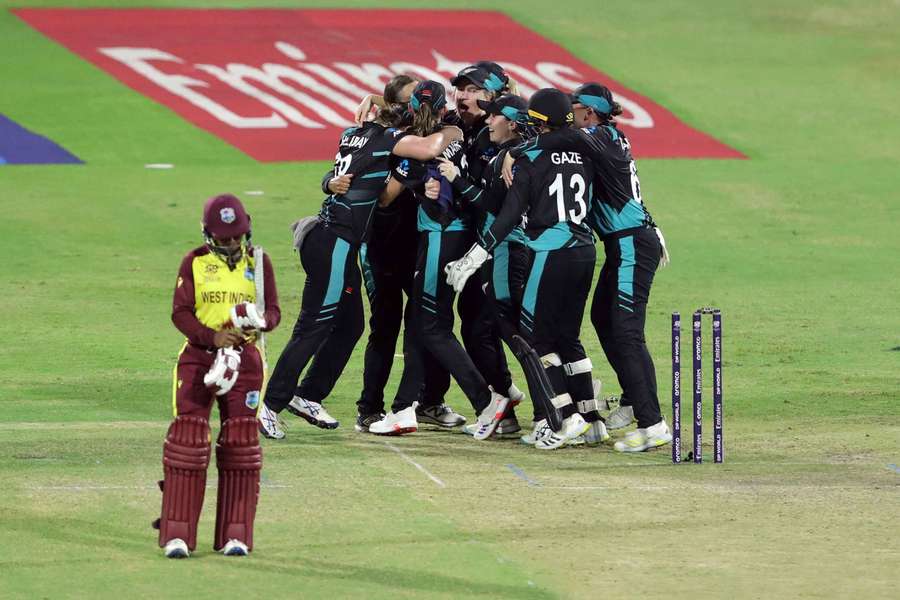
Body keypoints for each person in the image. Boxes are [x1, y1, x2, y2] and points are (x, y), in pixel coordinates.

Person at [256, 79, 464, 439]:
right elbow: (430, 147)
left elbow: (347, 173)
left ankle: (308, 394)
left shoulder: (352, 132)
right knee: (312, 327)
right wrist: (455, 129)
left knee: (350, 325)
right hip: (335, 243)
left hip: (331, 239)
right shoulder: (387, 140)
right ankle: (271, 405)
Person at [504, 83, 672, 453]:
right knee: (604, 319)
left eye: (574, 108)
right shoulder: (597, 137)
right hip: (623, 241)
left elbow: (553, 140)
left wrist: (514, 151)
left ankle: (652, 422)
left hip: (630, 241)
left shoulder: (599, 136)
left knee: (626, 331)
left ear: (589, 113)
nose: (568, 115)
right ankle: (635, 400)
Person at [446, 89, 598, 450]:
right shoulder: (588, 152)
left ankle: (560, 420)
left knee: (536, 338)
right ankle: (592, 421)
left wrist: (476, 255)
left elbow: (508, 214)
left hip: (548, 253)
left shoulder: (528, 158)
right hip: (585, 250)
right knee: (568, 338)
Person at [368, 80, 512, 438]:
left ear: (413, 110)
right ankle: (404, 408)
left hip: (438, 237)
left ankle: (486, 402)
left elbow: (386, 198)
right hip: (462, 234)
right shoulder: (456, 133)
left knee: (431, 326)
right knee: (421, 321)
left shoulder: (415, 148)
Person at [156, 194, 280, 558]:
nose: (230, 245)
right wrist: (212, 337)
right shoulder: (193, 263)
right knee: (188, 440)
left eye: (236, 237)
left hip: (246, 361)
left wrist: (259, 322)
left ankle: (235, 535)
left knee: (241, 443)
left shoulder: (259, 262)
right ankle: (177, 535)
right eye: (223, 239)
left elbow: (273, 311)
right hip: (198, 358)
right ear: (208, 234)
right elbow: (180, 313)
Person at [354, 75, 463, 432]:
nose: (418, 106)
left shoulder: (430, 128)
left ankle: (430, 401)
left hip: (416, 244)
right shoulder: (387, 133)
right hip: (381, 245)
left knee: (428, 325)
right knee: (385, 326)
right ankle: (369, 407)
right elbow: (385, 196)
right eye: (410, 100)